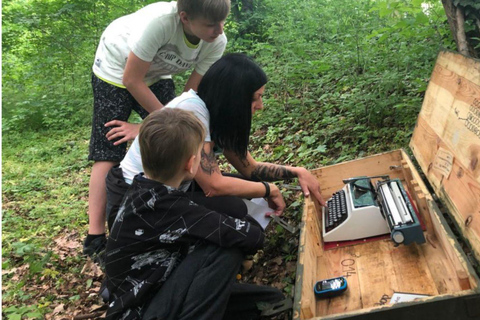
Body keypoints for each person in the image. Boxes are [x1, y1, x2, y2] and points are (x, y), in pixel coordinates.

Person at [106, 53, 325, 231]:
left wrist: (297, 172)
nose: (260, 106)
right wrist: (270, 190)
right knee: (236, 209)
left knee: (247, 195)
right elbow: (213, 186)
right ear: (233, 97)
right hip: (136, 199)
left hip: (175, 187)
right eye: (254, 98)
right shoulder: (193, 110)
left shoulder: (219, 113)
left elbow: (251, 169)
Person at [105, 108, 284, 320]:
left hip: (157, 294)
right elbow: (250, 236)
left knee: (272, 300)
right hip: (142, 311)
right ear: (191, 164)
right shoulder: (166, 206)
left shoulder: (142, 190)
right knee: (223, 247)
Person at [84, 0, 230, 257]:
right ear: (185, 18)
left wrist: (144, 126)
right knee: (109, 146)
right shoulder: (160, 24)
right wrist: (154, 122)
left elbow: (188, 98)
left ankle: (170, 202)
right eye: (210, 24)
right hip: (116, 66)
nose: (219, 30)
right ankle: (95, 236)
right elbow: (131, 79)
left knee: (177, 137)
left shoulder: (217, 41)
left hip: (157, 72)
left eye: (222, 22)